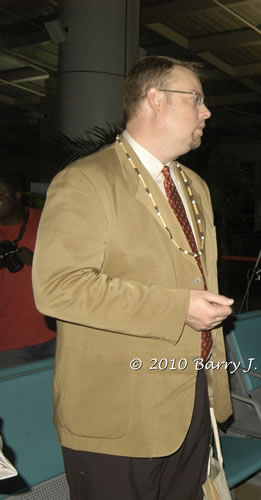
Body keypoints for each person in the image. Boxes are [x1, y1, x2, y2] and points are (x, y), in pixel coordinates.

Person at [32, 56, 234, 499]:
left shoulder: (194, 187)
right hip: (118, 412)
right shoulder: (86, 181)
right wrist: (179, 307)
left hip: (190, 394)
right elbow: (57, 288)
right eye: (196, 99)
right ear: (155, 99)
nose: (206, 112)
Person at [0, 174, 56, 369]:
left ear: (17, 195)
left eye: (1, 193)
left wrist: (37, 261)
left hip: (53, 333)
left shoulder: (46, 219)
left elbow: (75, 266)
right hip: (8, 343)